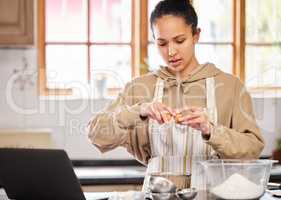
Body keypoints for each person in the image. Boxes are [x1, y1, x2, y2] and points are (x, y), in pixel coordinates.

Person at [88, 0, 264, 191]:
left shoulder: (231, 87)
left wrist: (210, 130)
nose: (171, 52)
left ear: (196, 35)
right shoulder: (139, 88)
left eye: (180, 41)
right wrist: (139, 111)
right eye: (162, 43)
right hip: (157, 195)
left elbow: (252, 151)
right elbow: (96, 134)